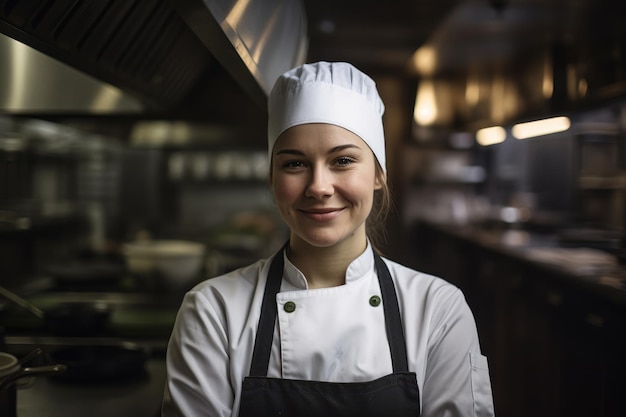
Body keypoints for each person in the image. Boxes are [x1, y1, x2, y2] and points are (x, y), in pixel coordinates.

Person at [161, 61, 495, 417]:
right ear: (272, 178)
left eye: (343, 160)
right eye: (295, 164)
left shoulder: (438, 311)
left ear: (378, 174)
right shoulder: (213, 312)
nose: (319, 187)